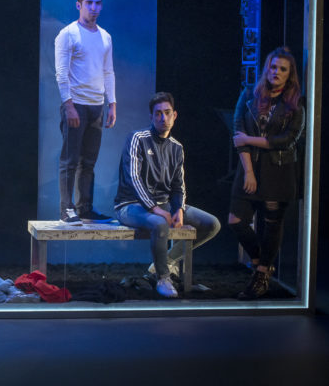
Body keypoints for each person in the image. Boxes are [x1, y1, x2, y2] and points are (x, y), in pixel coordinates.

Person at [114, 92, 221, 298]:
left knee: (212, 224)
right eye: (158, 114)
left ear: (174, 115)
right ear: (151, 117)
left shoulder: (177, 147)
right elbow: (133, 179)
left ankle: (165, 262)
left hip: (164, 205)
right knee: (160, 223)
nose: (163, 118)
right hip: (130, 205)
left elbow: (178, 185)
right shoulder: (137, 139)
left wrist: (179, 208)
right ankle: (163, 277)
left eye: (167, 113)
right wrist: (156, 209)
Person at [229, 47, 305, 300]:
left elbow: (287, 140)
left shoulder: (295, 102)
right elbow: (238, 133)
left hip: (279, 169)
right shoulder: (249, 93)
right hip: (249, 165)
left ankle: (261, 276)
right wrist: (249, 172)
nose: (276, 72)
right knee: (236, 221)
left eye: (283, 69)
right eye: (273, 67)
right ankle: (262, 262)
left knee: (272, 224)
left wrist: (251, 139)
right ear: (267, 68)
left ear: (290, 74)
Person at [54, 0, 116, 224]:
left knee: (88, 162)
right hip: (76, 104)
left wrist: (112, 104)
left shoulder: (105, 37)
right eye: (89, 3)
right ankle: (66, 208)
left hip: (96, 106)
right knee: (70, 160)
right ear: (78, 5)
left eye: (97, 3)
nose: (94, 8)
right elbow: (61, 73)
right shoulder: (68, 34)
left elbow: (108, 71)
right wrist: (69, 105)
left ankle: (85, 208)